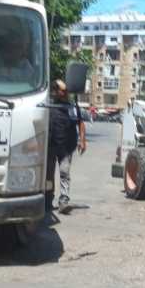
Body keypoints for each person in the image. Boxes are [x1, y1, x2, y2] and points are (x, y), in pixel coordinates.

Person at [45, 80, 87, 215]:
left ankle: (63, 202)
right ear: (56, 91)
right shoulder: (48, 104)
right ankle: (47, 201)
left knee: (64, 174)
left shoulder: (72, 106)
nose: (66, 93)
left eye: (66, 91)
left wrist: (82, 140)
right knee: (48, 176)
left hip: (67, 147)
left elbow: (80, 123)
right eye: (63, 91)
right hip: (50, 146)